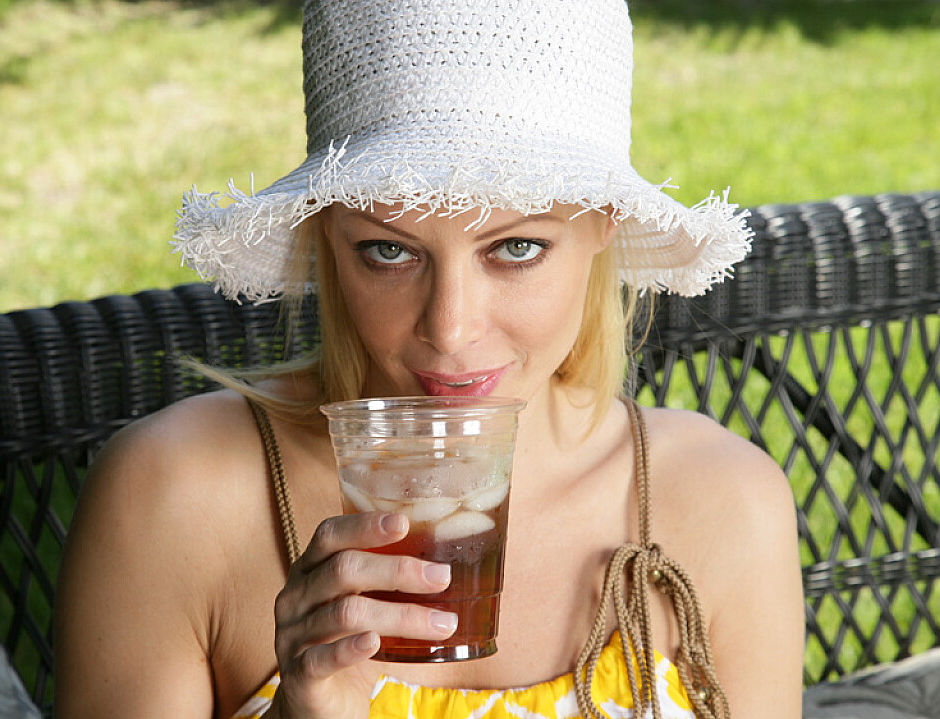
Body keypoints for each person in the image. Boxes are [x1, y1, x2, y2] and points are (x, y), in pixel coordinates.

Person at [53, 0, 805, 718]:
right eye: (388, 250)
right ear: (326, 234)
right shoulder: (176, 496)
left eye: (515, 248)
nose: (449, 329)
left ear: (603, 221)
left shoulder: (721, 503)